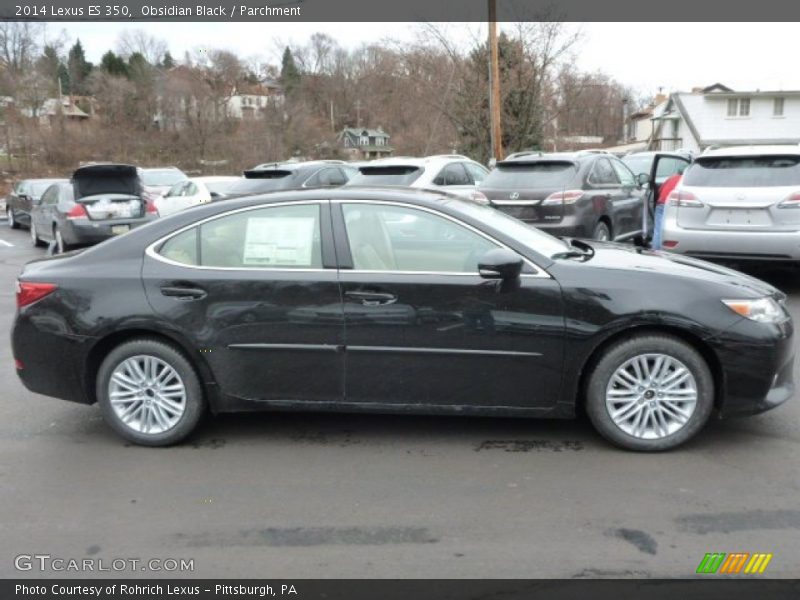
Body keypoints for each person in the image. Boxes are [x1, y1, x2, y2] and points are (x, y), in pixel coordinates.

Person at [652, 166, 685, 250]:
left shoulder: (671, 178)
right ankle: (665, 251)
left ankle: (655, 251)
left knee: (658, 230)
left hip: (660, 204)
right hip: (672, 206)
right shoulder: (685, 181)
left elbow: (660, 190)